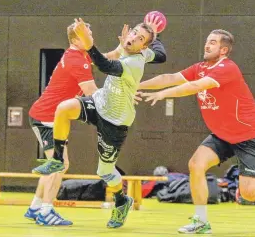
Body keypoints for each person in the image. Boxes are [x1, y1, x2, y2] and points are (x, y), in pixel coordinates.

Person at [138, 29, 255, 234]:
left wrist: (163, 95)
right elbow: (170, 77)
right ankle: (201, 221)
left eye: (212, 42)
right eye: (207, 41)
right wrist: (136, 85)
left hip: (247, 136)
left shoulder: (228, 68)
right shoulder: (200, 67)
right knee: (196, 164)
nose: (207, 45)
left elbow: (195, 86)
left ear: (224, 50)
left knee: (248, 193)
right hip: (222, 134)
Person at [32, 17, 166, 229]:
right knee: (64, 108)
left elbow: (104, 64)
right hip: (99, 102)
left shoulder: (134, 62)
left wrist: (88, 44)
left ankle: (121, 201)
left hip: (114, 121)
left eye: (139, 38)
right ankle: (57, 159)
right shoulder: (145, 51)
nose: (132, 38)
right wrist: (156, 30)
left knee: (105, 172)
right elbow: (161, 54)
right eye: (133, 33)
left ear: (143, 47)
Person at [24, 22, 98, 226]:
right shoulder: (77, 60)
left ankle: (35, 207)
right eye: (87, 34)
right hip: (46, 119)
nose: (92, 37)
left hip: (53, 120)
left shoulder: (80, 55)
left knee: (54, 165)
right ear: (76, 40)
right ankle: (46, 212)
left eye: (91, 32)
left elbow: (103, 59)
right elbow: (92, 93)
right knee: (60, 164)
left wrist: (121, 50)